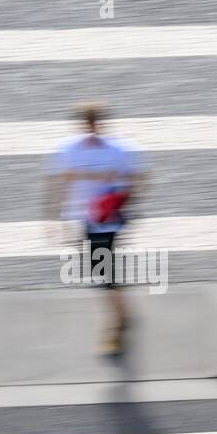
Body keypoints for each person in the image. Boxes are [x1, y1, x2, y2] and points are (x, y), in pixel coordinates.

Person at [44, 102, 145, 356]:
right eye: (89, 123)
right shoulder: (68, 150)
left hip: (106, 221)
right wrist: (52, 218)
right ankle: (123, 311)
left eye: (97, 123)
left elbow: (139, 179)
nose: (93, 128)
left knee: (102, 272)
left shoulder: (119, 150)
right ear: (82, 124)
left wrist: (121, 199)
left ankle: (115, 327)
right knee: (100, 271)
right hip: (82, 219)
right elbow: (56, 183)